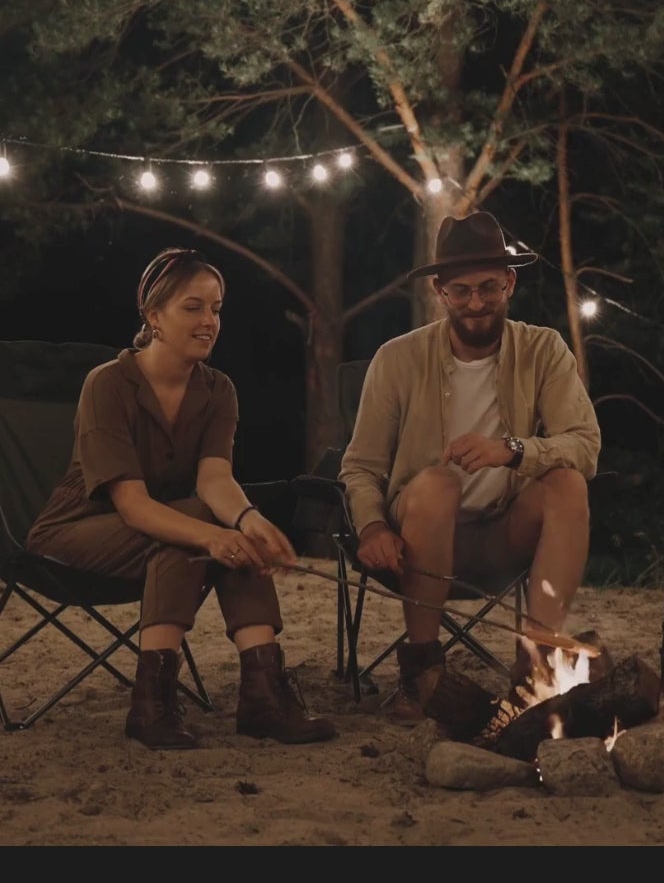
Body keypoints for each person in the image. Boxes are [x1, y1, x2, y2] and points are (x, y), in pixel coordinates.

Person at [25, 248, 337, 749]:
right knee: (199, 528)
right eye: (192, 307)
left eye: (215, 308)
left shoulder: (218, 390)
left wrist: (250, 520)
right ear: (154, 315)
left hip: (160, 535)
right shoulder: (108, 384)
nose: (208, 321)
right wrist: (217, 534)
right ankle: (189, 699)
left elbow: (215, 479)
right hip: (74, 534)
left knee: (204, 530)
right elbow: (131, 504)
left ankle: (241, 699)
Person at [338, 210, 600, 720]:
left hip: (504, 534)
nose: (476, 303)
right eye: (461, 292)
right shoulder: (397, 360)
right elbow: (360, 466)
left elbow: (584, 446)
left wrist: (514, 450)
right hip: (418, 544)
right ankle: (421, 673)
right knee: (436, 482)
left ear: (510, 281)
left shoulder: (543, 349)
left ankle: (538, 668)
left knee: (568, 483)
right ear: (439, 291)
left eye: (488, 288)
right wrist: (370, 526)